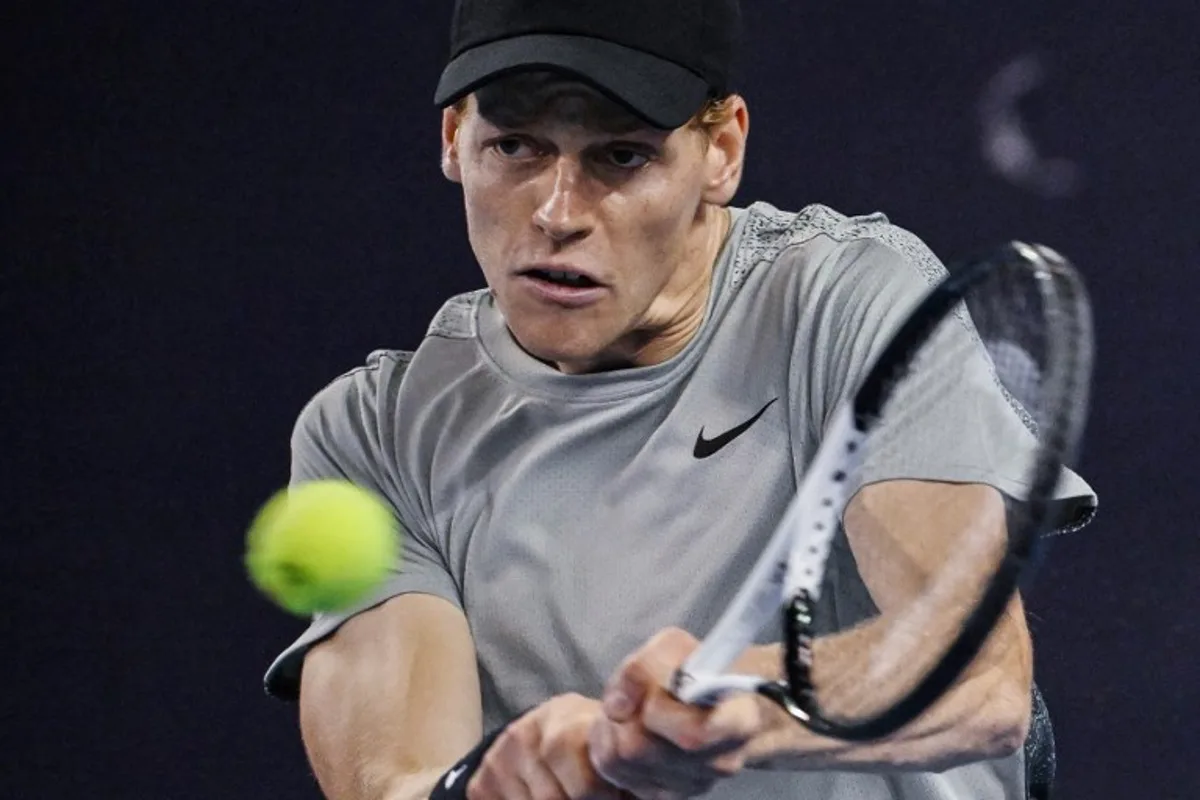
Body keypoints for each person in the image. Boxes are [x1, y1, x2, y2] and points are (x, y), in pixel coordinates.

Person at [262, 1, 1096, 798]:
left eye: (621, 156)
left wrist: (735, 709)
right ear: (454, 137)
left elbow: (979, 684)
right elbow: (398, 779)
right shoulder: (369, 432)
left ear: (722, 150)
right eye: (514, 146)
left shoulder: (846, 299)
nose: (556, 213)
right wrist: (485, 786)